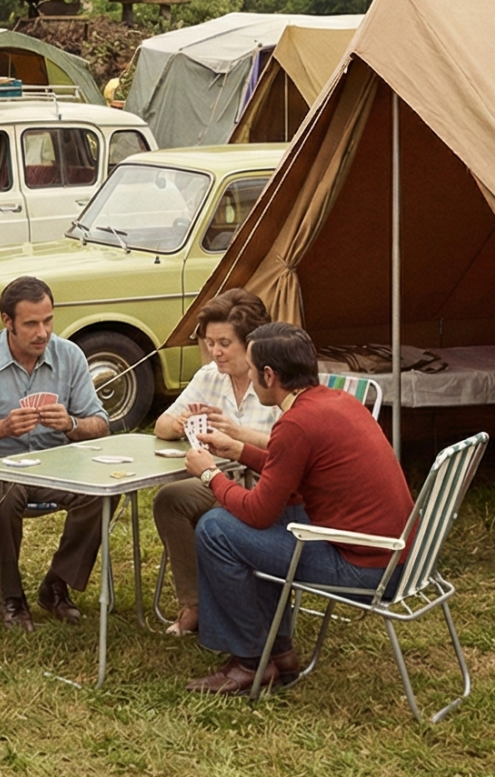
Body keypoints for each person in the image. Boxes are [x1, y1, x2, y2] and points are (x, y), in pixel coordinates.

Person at [182, 322, 415, 695]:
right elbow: (287, 473)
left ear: (270, 376)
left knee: (216, 528)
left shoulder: (297, 423)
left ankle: (249, 663)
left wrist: (209, 474)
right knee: (270, 519)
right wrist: (239, 450)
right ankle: (280, 652)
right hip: (397, 557)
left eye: (254, 369)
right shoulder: (336, 401)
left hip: (366, 571)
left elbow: (258, 511)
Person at [0, 276, 112, 632]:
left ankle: (57, 584)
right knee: (3, 489)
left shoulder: (69, 355)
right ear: (8, 322)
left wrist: (71, 424)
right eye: (31, 323)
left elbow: (100, 425)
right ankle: (11, 595)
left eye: (48, 321)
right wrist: (3, 427)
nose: (42, 332)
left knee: (106, 487)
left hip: (53, 466)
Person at [149, 289, 281, 636]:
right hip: (217, 478)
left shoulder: (275, 380)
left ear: (251, 343)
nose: (215, 352)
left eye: (224, 343)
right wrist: (178, 424)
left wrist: (238, 437)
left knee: (211, 516)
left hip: (267, 487)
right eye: (210, 342)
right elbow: (161, 425)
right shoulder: (210, 376)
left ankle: (235, 608)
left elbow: (293, 449)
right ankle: (194, 604)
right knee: (171, 498)